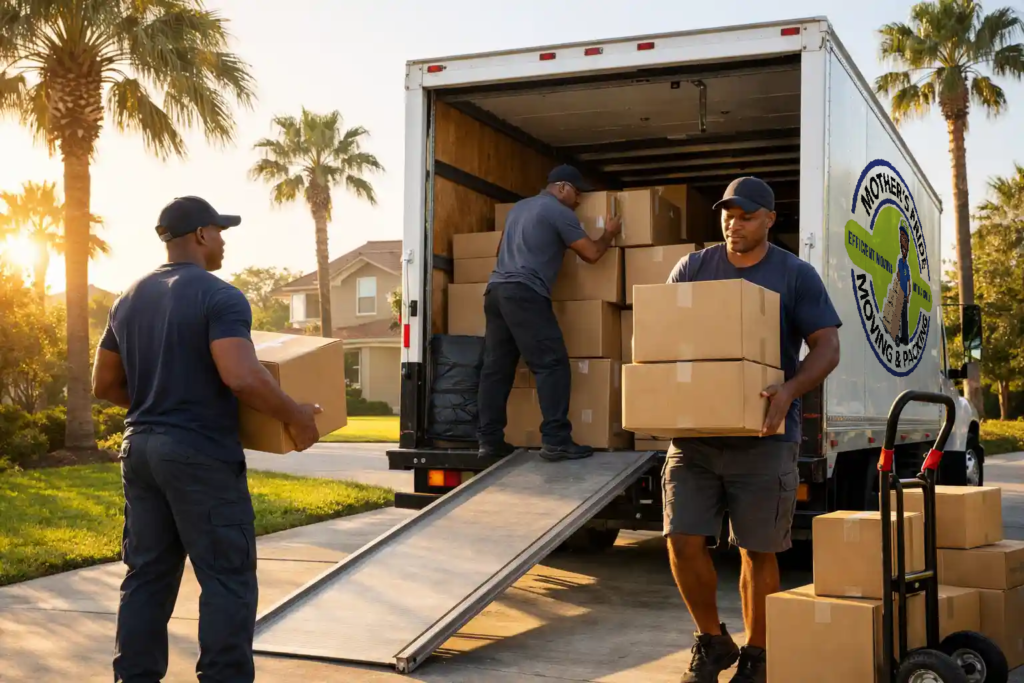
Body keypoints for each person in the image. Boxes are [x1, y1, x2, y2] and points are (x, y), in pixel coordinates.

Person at [92, 196, 323, 683]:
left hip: (140, 449)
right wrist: (297, 417)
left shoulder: (128, 297)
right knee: (226, 577)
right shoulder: (220, 296)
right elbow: (242, 376)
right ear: (199, 234)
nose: (223, 242)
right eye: (220, 231)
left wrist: (159, 401)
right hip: (198, 453)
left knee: (147, 576)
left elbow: (104, 385)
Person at [662, 177, 842, 683]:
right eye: (727, 213)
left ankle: (758, 658)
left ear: (768, 219)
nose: (732, 223)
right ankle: (712, 641)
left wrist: (788, 390)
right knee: (681, 539)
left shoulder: (794, 275)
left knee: (756, 549)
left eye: (745, 215)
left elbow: (827, 348)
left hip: (763, 436)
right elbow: (664, 334)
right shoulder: (694, 268)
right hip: (695, 436)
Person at [476, 164, 621, 462]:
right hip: (525, 293)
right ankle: (556, 439)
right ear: (563, 188)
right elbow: (592, 253)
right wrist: (608, 234)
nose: (579, 201)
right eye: (578, 193)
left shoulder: (518, 209)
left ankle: (489, 442)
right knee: (551, 364)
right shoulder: (559, 212)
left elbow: (499, 250)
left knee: (497, 369)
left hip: (496, 292)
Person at [897, 223, 911, 346]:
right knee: (898, 314)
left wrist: (907, 295)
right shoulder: (900, 263)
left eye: (905, 240)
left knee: (904, 316)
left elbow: (908, 281)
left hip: (904, 294)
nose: (903, 244)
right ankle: (899, 334)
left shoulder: (906, 265)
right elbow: (898, 275)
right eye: (901, 239)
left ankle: (904, 337)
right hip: (899, 293)